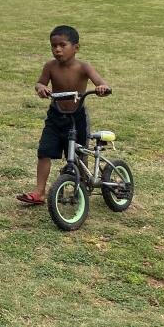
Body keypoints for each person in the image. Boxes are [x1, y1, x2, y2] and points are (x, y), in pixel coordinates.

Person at [17, 25, 111, 205]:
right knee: (44, 152)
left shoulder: (84, 67)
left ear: (76, 47)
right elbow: (39, 83)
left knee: (80, 153)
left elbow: (101, 83)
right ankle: (39, 192)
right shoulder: (50, 67)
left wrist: (101, 88)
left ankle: (81, 186)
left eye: (62, 45)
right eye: (53, 46)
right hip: (56, 116)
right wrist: (41, 88)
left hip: (77, 117)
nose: (57, 50)